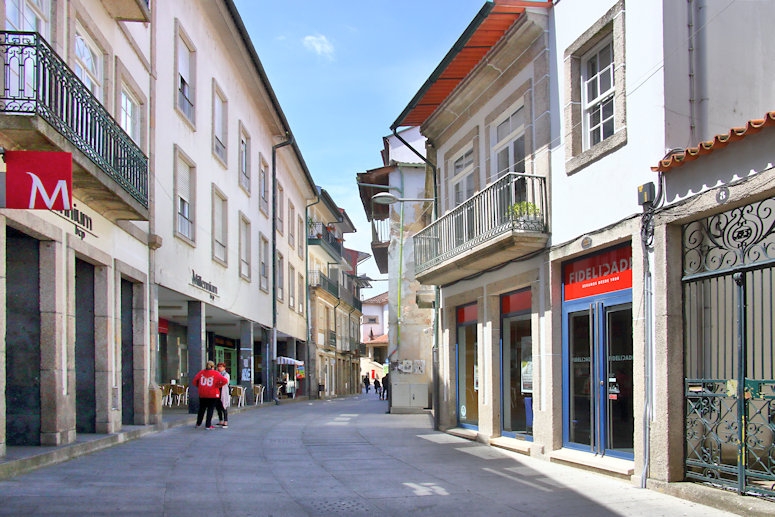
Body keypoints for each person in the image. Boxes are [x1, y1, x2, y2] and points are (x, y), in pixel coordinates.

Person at [192, 360, 228, 430]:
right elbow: (225, 381)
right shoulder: (215, 373)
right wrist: (218, 385)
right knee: (210, 409)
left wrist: (200, 386)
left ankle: (198, 423)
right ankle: (208, 425)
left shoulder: (201, 372)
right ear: (213, 367)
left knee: (201, 409)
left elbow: (194, 381)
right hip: (213, 394)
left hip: (202, 393)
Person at [214, 362, 230, 428]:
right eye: (219, 367)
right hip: (217, 392)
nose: (219, 368)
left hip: (223, 391)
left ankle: (225, 421)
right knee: (218, 407)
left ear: (224, 368)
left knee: (224, 407)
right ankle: (220, 420)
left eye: (221, 367)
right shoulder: (217, 374)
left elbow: (225, 382)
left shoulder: (226, 375)